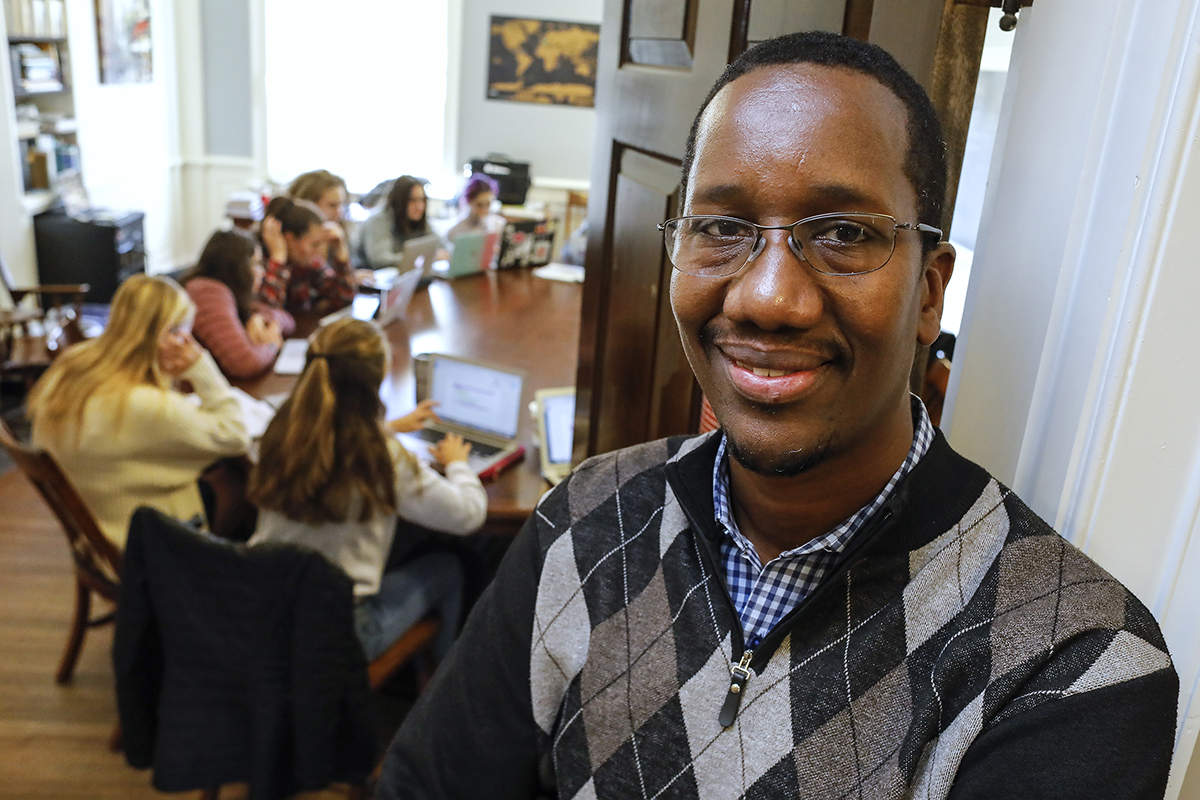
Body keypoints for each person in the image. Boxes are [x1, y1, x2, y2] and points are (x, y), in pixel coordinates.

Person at [378, 31, 1178, 799]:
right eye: (723, 228)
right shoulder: (588, 517)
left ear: (928, 292)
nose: (767, 298)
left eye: (842, 234)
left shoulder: (1074, 666)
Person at [246, 318, 487, 661]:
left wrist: (389, 427)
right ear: (380, 374)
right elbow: (468, 515)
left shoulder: (281, 429)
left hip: (262, 609)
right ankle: (439, 699)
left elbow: (330, 438)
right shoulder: (380, 457)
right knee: (451, 566)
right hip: (340, 633)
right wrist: (457, 464)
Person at [26, 274, 249, 547]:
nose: (187, 343)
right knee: (247, 485)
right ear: (160, 336)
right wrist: (202, 369)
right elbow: (237, 434)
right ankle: (215, 576)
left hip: (96, 526)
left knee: (218, 471)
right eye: (179, 332)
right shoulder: (146, 406)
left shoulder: (70, 366)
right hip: (143, 545)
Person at [183, 228, 296, 381]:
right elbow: (245, 364)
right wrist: (271, 345)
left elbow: (288, 321)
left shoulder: (233, 292)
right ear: (237, 267)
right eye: (255, 264)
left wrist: (258, 319)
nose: (262, 271)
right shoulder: (207, 294)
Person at [257, 196, 356, 314]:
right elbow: (268, 312)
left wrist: (341, 254)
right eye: (315, 244)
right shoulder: (258, 264)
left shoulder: (309, 264)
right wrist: (278, 258)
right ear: (289, 239)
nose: (319, 252)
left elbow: (344, 299)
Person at [357, 175, 445, 271]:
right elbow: (380, 260)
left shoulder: (417, 219)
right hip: (372, 281)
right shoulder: (378, 221)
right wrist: (424, 257)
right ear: (399, 201)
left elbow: (441, 246)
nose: (420, 206)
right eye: (413, 200)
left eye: (422, 200)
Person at [287, 169, 352, 269]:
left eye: (342, 204)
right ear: (308, 205)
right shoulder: (295, 242)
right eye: (332, 205)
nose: (340, 212)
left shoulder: (335, 233)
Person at [445, 173, 506, 246]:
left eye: (488, 204)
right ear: (469, 202)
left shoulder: (499, 225)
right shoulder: (455, 232)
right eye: (479, 205)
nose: (484, 210)